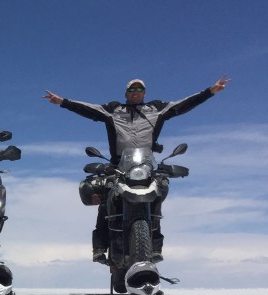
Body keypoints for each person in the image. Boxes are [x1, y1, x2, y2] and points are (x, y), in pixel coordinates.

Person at [44, 75, 229, 262]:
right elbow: (89, 110)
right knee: (106, 200)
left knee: (156, 198)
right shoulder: (114, 110)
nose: (135, 92)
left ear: (144, 93)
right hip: (119, 166)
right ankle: (99, 247)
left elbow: (182, 105)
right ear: (126, 93)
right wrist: (62, 102)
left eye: (139, 89)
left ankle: (155, 248)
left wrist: (210, 91)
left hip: (146, 166)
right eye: (132, 89)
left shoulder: (156, 109)